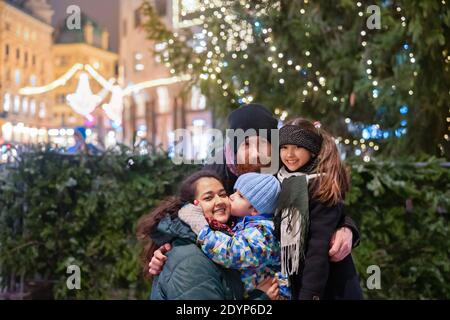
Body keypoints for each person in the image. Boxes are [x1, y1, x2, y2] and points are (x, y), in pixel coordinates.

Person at [149, 104, 360, 275]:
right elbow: (187, 210)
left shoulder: (287, 170)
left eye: (262, 143)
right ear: (234, 147)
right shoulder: (218, 173)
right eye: (246, 145)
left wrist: (346, 227)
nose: (254, 154)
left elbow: (325, 197)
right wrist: (168, 247)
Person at [136, 170, 277, 300]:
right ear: (192, 207)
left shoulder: (237, 232)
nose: (220, 201)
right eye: (209, 198)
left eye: (223, 194)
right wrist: (261, 298)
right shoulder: (191, 260)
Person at [275, 118, 363, 299]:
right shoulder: (283, 179)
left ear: (312, 151)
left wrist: (309, 295)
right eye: (284, 147)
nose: (289, 154)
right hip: (300, 280)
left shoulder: (318, 185)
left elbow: (318, 251)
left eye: (297, 147)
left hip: (325, 286)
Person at [179, 172, 290, 300]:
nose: (231, 197)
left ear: (255, 210)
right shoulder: (241, 224)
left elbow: (232, 253)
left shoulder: (262, 232)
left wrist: (202, 230)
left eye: (240, 196)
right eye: (234, 191)